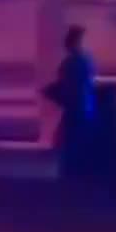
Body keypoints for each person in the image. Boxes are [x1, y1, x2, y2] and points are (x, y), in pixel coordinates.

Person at [47, 25, 96, 178]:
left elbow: (64, 87)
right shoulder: (86, 61)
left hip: (74, 110)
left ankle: (70, 173)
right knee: (80, 142)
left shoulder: (69, 63)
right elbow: (88, 82)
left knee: (69, 143)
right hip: (85, 108)